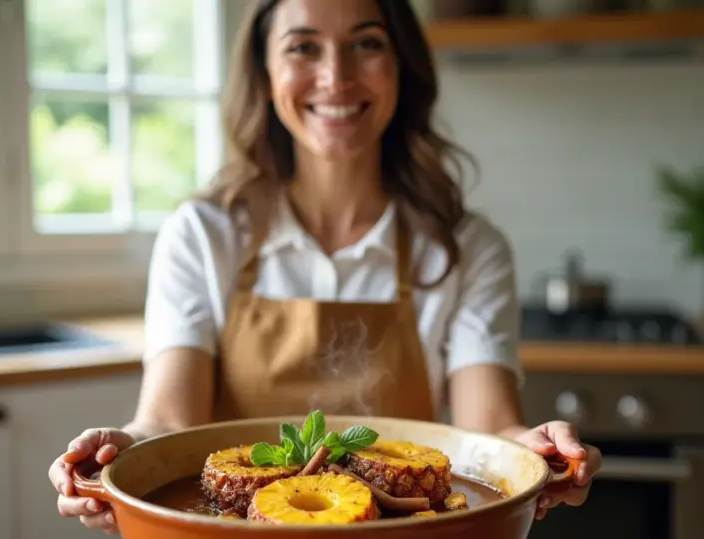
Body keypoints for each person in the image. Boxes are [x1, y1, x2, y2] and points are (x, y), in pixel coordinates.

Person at [48, 0, 602, 533]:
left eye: (366, 43)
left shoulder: (467, 248)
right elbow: (167, 426)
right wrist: (122, 455)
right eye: (303, 47)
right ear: (265, 74)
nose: (336, 76)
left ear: (401, 68)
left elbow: (488, 437)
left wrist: (530, 451)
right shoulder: (202, 236)